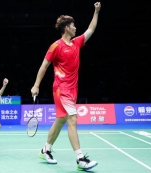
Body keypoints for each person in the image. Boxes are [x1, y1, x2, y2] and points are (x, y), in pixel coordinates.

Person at [30, 2, 101, 171]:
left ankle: (45, 150)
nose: (76, 28)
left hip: (72, 89)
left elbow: (90, 30)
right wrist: (36, 85)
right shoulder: (56, 46)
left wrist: (96, 12)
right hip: (62, 89)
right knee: (72, 119)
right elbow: (44, 66)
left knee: (61, 120)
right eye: (74, 25)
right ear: (67, 28)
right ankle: (80, 159)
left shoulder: (76, 43)